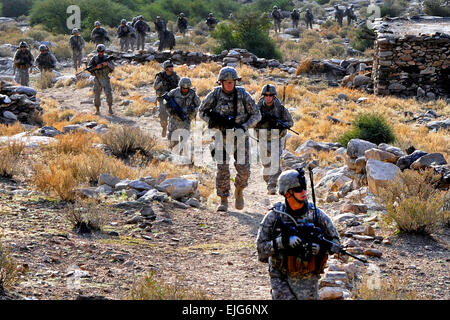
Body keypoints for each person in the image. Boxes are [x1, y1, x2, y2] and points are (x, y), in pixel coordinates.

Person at [256, 168, 341, 300]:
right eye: (298, 189)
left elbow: (336, 244)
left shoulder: (317, 215)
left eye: (304, 188)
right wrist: (282, 243)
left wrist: (320, 248)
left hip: (308, 280)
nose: (303, 192)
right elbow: (261, 250)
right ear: (287, 193)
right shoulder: (274, 217)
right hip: (281, 279)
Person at [199, 67, 261, 212]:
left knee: (244, 170)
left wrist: (244, 126)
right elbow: (201, 111)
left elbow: (257, 115)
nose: (230, 84)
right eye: (227, 82)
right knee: (222, 170)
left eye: (232, 81)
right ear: (221, 82)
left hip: (240, 137)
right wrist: (214, 123)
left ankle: (239, 190)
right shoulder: (215, 94)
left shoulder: (242, 94)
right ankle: (223, 199)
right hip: (221, 137)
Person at [255, 84, 294, 195]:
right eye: (266, 95)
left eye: (270, 95)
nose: (268, 97)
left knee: (275, 163)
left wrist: (280, 124)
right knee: (266, 163)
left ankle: (272, 186)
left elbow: (290, 122)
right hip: (262, 138)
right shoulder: (257, 108)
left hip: (276, 138)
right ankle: (268, 180)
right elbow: (251, 121)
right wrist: (260, 121)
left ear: (273, 96)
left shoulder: (280, 108)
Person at [165, 77, 200, 150]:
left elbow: (199, 105)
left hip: (186, 119)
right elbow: (165, 102)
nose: (185, 90)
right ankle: (172, 151)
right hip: (175, 118)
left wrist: (193, 111)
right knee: (172, 137)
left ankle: (181, 153)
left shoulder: (192, 94)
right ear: (180, 86)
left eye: (187, 88)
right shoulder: (174, 92)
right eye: (183, 88)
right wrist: (170, 111)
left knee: (184, 138)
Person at [154, 60, 180, 138]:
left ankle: (171, 130)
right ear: (166, 68)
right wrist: (162, 83)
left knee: (174, 114)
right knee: (163, 112)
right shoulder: (160, 76)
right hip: (163, 97)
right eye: (169, 67)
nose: (171, 68)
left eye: (172, 66)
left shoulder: (175, 76)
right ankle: (164, 127)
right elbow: (155, 87)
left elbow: (180, 85)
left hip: (173, 97)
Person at [87, 44, 115, 115]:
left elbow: (113, 67)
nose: (100, 53)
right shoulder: (94, 59)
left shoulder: (107, 58)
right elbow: (89, 68)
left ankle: (110, 108)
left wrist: (107, 64)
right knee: (96, 95)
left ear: (104, 51)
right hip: (97, 79)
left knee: (108, 94)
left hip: (105, 78)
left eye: (102, 51)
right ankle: (97, 110)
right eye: (99, 51)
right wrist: (96, 67)